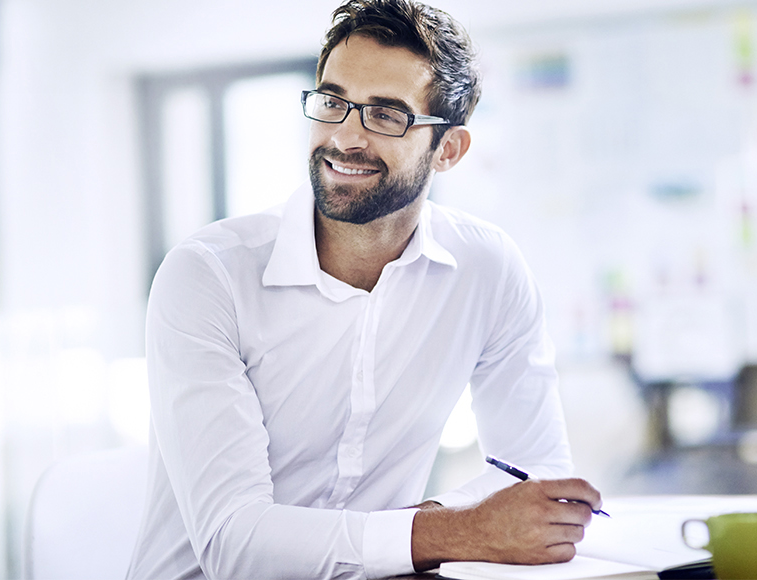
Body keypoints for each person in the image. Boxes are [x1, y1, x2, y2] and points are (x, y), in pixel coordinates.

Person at [127, 1, 601, 578]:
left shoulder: (487, 268)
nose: (346, 136)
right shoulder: (207, 276)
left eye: (387, 115)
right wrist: (459, 529)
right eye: (332, 102)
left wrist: (423, 528)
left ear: (447, 150)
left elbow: (536, 476)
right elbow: (235, 543)